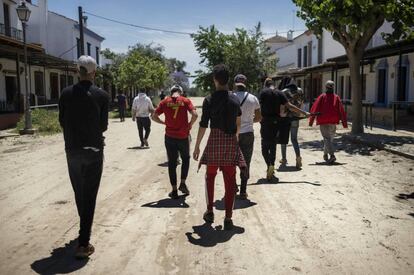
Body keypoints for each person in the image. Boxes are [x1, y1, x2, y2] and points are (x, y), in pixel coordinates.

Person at [59, 55, 109, 259]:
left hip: (72, 151)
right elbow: (103, 126)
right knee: (89, 195)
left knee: (80, 192)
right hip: (94, 151)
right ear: (94, 73)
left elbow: (62, 121)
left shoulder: (65, 93)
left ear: (76, 72)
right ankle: (83, 242)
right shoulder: (102, 95)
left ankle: (83, 228)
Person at [193, 64, 246, 231]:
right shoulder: (235, 99)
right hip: (230, 142)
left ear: (215, 80)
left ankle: (209, 212)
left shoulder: (209, 100)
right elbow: (238, 124)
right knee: (230, 181)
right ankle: (228, 218)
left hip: (214, 141)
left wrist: (197, 146)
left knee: (210, 176)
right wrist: (234, 141)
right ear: (228, 80)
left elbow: (203, 125)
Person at [152, 85, 198, 199]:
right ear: (180, 92)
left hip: (170, 137)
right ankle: (182, 183)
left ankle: (174, 190)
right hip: (183, 136)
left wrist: (163, 123)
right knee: (185, 159)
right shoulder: (185, 101)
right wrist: (190, 125)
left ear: (171, 92)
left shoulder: (164, 102)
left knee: (172, 163)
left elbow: (153, 116)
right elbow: (195, 115)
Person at [259, 78, 309, 181]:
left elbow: (259, 108)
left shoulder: (263, 92)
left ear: (265, 85)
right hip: (277, 122)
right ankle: (272, 165)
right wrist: (303, 113)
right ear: (273, 84)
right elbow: (290, 106)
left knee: (265, 146)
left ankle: (269, 165)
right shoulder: (279, 93)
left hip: (266, 122)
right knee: (273, 145)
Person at [233, 74, 261, 199]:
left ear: (235, 84)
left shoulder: (230, 97)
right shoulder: (253, 98)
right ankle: (243, 191)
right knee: (246, 161)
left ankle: (233, 186)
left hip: (233, 133)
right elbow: (259, 117)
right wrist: (248, 121)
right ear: (245, 84)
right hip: (248, 133)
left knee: (232, 161)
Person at [309, 80, 348, 164]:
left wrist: (311, 121)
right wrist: (344, 123)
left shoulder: (322, 97)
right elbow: (341, 110)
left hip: (323, 120)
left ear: (326, 87)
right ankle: (325, 154)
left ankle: (332, 155)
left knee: (327, 139)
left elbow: (314, 108)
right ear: (333, 87)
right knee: (329, 139)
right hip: (333, 121)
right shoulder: (336, 97)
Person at [280, 87, 305, 169]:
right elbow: (300, 109)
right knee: (294, 139)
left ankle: (284, 159)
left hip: (285, 120)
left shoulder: (286, 95)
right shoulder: (300, 97)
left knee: (283, 140)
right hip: (295, 120)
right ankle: (298, 157)